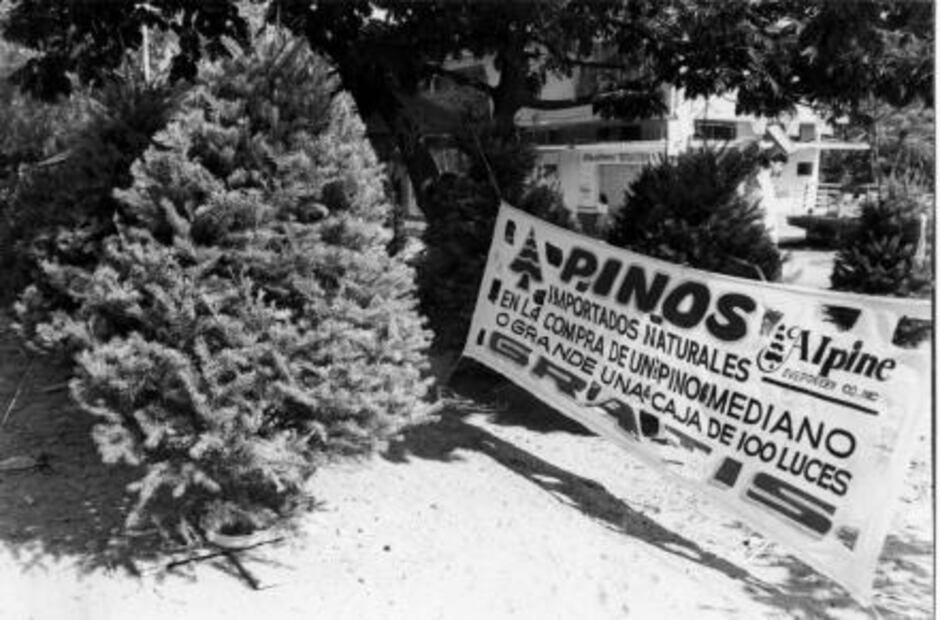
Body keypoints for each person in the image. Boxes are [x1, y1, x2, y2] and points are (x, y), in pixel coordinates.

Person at [753, 150, 787, 244]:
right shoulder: (761, 181)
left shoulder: (768, 182)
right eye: (780, 165)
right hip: (763, 231)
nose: (782, 169)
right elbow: (760, 208)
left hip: (769, 229)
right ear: (771, 163)